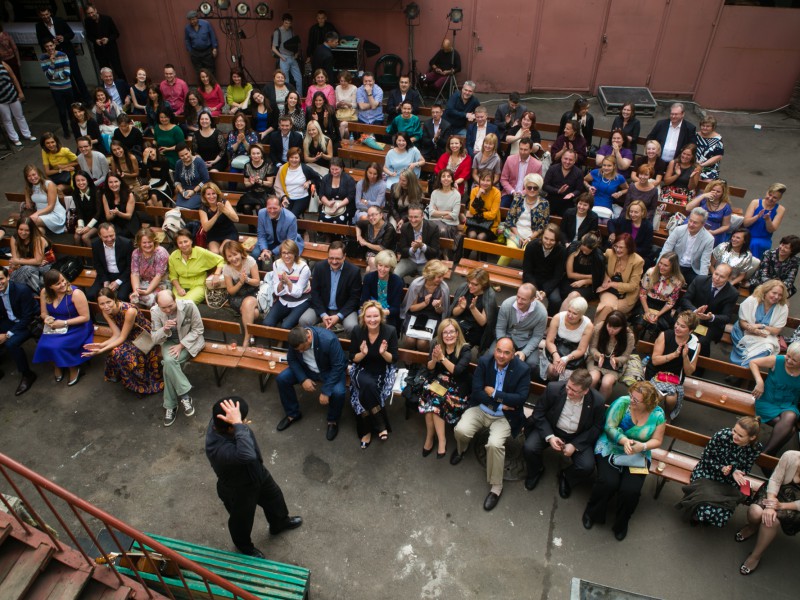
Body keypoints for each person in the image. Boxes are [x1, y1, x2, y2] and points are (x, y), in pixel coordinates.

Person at [205, 397, 303, 558]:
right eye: (240, 420)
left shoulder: (224, 423)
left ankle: (279, 523)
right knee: (241, 521)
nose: (244, 422)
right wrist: (238, 424)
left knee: (275, 498)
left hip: (257, 473)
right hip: (238, 488)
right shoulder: (217, 448)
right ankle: (244, 546)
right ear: (230, 427)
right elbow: (247, 454)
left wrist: (236, 422)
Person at [450, 338, 532, 511]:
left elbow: (520, 399)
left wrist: (494, 393)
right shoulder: (484, 361)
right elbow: (477, 391)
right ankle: (461, 449)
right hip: (482, 408)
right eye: (498, 351)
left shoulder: (523, 370)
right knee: (461, 431)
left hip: (505, 417)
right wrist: (500, 404)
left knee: (494, 445)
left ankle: (496, 487)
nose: (501, 356)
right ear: (494, 350)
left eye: (506, 352)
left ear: (513, 354)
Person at [583, 381, 666, 541]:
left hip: (638, 453)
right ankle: (592, 512)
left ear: (648, 403)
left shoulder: (658, 415)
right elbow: (609, 427)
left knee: (631, 490)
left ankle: (622, 522)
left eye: (636, 400)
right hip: (612, 446)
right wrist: (624, 441)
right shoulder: (622, 403)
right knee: (608, 482)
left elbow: (657, 440)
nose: (631, 400)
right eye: (631, 396)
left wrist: (642, 446)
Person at [524, 369, 605, 497]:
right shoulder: (553, 389)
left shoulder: (598, 401)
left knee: (587, 466)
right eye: (568, 387)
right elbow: (538, 413)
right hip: (552, 428)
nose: (569, 392)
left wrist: (575, 445)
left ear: (585, 391)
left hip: (577, 436)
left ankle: (567, 476)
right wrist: (550, 436)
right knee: (530, 448)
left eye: (574, 391)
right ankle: (536, 470)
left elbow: (596, 427)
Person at [676, 417, 763, 527]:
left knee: (723, 509)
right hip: (708, 471)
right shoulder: (722, 435)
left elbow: (747, 467)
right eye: (734, 430)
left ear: (752, 437)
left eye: (740, 435)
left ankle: (705, 517)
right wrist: (721, 468)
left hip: (730, 479)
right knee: (705, 504)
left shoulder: (755, 448)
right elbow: (706, 457)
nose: (734, 436)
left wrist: (736, 472)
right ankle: (697, 515)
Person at [82, 287, 164, 397]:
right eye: (102, 304)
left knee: (119, 353)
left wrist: (101, 350)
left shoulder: (129, 311)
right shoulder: (106, 312)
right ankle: (132, 382)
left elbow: (122, 338)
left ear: (114, 299)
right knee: (117, 352)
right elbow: (116, 334)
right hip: (127, 336)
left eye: (108, 302)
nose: (106, 306)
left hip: (143, 337)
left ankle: (141, 384)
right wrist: (101, 345)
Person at [277, 325, 348, 441]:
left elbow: (338, 366)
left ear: (309, 337)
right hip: (307, 368)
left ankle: (332, 421)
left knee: (338, 393)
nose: (300, 351)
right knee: (282, 379)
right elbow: (292, 359)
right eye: (298, 350)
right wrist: (303, 379)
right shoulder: (296, 338)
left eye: (302, 348)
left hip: (329, 371)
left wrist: (326, 391)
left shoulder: (329, 339)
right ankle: (292, 414)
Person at [736, 449, 800, 575]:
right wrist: (771, 505)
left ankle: (755, 556)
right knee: (755, 512)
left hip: (794, 505)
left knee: (771, 522)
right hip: (775, 492)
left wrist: (781, 506)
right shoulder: (790, 456)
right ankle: (752, 527)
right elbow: (775, 480)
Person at [149, 289, 204, 427]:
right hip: (169, 343)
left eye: (170, 306)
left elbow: (198, 329)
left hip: (188, 342)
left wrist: (181, 345)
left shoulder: (189, 306)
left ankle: (171, 406)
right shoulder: (155, 311)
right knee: (169, 363)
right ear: (158, 305)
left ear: (175, 300)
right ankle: (185, 397)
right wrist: (164, 329)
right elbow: (154, 338)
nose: (168, 310)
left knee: (168, 363)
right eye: (163, 308)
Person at [349, 301, 398, 448]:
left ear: (381, 316)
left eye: (376, 316)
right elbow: (353, 358)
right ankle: (380, 423)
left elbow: (393, 359)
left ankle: (366, 430)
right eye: (369, 316)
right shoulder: (357, 330)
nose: (372, 320)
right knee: (368, 384)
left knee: (364, 391)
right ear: (363, 317)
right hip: (361, 369)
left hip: (382, 370)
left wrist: (383, 353)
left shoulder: (390, 331)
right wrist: (362, 354)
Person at [419, 319, 472, 457]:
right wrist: (434, 360)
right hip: (439, 382)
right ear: (441, 335)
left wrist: (442, 358)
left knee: (435, 401)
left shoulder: (465, 349)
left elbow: (457, 372)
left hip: (457, 387)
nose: (448, 335)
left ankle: (439, 440)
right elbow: (430, 368)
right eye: (445, 333)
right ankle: (431, 437)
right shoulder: (437, 346)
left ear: (457, 333)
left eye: (451, 332)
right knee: (432, 396)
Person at [33, 268, 92, 386]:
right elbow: (43, 313)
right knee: (44, 345)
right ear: (50, 286)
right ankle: (57, 364)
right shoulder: (44, 292)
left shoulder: (76, 293)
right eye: (57, 284)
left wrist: (64, 323)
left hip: (77, 326)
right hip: (55, 326)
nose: (63, 284)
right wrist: (47, 318)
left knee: (59, 346)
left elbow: (85, 317)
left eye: (63, 280)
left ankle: (73, 367)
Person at [646, 310, 700, 420]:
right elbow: (655, 360)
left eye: (682, 326)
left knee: (671, 399)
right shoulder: (665, 335)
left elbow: (689, 371)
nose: (677, 328)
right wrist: (674, 355)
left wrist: (685, 357)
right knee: (657, 396)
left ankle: (667, 417)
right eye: (677, 323)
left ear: (691, 330)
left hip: (674, 378)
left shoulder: (695, 344)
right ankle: (647, 417)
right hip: (656, 373)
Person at [299, 241, 362, 335]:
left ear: (344, 256)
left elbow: (354, 298)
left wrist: (339, 316)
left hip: (344, 309)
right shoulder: (319, 267)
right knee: (304, 320)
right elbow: (315, 293)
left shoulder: (354, 271)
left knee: (352, 326)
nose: (334, 261)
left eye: (338, 258)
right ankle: (313, 341)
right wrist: (323, 314)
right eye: (331, 258)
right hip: (322, 307)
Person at [677, 263, 738, 358]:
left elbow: (726, 317)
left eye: (722, 277)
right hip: (691, 317)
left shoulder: (732, 293)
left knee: (701, 342)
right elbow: (685, 299)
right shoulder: (700, 280)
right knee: (679, 330)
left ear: (728, 278)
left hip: (711, 324)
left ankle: (699, 363)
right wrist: (695, 311)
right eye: (716, 274)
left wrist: (711, 317)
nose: (717, 278)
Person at [750, 342, 800, 456]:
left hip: (788, 404)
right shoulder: (777, 360)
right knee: (790, 429)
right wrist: (759, 381)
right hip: (767, 401)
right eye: (788, 356)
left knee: (791, 416)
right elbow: (753, 362)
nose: (789, 360)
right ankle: (767, 455)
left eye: (794, 360)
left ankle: (764, 454)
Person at [729, 280, 788, 367]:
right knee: (747, 350)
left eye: (780, 295)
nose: (776, 297)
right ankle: (743, 369)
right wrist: (753, 330)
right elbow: (742, 322)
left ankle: (745, 369)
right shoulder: (752, 301)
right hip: (743, 332)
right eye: (774, 293)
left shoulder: (783, 308)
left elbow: (776, 331)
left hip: (765, 336)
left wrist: (761, 326)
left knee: (767, 349)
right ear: (766, 291)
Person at [36, 7, 88, 103]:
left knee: (77, 75)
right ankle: (76, 100)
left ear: (50, 13)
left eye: (47, 14)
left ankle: (87, 99)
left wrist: (63, 38)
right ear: (40, 16)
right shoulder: (39, 26)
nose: (45, 17)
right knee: (66, 77)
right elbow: (40, 41)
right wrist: (51, 42)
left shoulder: (59, 21)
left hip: (68, 52)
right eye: (43, 15)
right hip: (56, 55)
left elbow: (71, 34)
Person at [0, 267, 38, 396]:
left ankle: (28, 374)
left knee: (11, 344)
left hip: (28, 323)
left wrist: (7, 334)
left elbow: (27, 317)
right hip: (10, 320)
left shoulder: (21, 290)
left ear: (8, 277)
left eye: (1, 279)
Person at [497, 173, 549, 266]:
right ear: (525, 187)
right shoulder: (518, 199)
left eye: (535, 188)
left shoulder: (544, 203)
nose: (532, 190)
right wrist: (518, 236)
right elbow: (510, 219)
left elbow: (542, 226)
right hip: (515, 233)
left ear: (539, 189)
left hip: (532, 237)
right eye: (529, 187)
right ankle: (496, 271)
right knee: (509, 252)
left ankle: (526, 274)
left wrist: (529, 238)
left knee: (527, 253)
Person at [493, 283, 548, 370]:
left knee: (532, 364)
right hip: (506, 337)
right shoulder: (507, 304)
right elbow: (500, 328)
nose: (519, 301)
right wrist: (505, 346)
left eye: (523, 299)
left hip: (526, 341)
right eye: (518, 297)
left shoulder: (542, 313)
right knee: (491, 356)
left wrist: (524, 353)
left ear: (532, 299)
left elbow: (537, 336)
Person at [400, 260, 450, 352]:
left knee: (422, 343)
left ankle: (423, 359)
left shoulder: (443, 289)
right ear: (431, 276)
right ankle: (408, 359)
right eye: (439, 277)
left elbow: (442, 312)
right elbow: (412, 308)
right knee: (410, 340)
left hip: (433, 316)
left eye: (442, 276)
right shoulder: (417, 285)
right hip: (415, 314)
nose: (442, 279)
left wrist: (438, 306)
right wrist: (425, 303)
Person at [540, 297, 594, 382]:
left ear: (581, 314)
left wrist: (566, 359)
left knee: (565, 374)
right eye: (569, 311)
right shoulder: (558, 317)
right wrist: (555, 355)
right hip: (555, 348)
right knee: (552, 370)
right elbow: (549, 341)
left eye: (574, 313)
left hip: (574, 353)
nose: (570, 315)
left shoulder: (588, 325)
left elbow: (581, 349)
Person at [594, 233, 644, 321]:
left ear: (629, 248)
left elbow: (632, 286)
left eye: (621, 247)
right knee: (608, 307)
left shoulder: (638, 261)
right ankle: (600, 329)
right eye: (616, 246)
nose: (617, 250)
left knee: (607, 308)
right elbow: (598, 263)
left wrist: (612, 284)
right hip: (609, 291)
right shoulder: (610, 253)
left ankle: (597, 328)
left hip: (627, 296)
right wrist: (605, 276)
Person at [263, 239, 311, 330]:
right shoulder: (276, 264)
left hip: (301, 301)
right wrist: (282, 282)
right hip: (284, 300)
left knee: (286, 326)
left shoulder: (303, 268)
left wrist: (288, 282)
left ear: (295, 254)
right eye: (284, 253)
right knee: (267, 323)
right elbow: (276, 290)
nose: (286, 256)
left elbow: (298, 293)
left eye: (289, 253)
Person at [658, 207, 714, 284]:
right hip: (674, 265)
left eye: (695, 223)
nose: (691, 224)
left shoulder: (709, 239)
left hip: (692, 269)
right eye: (690, 220)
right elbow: (666, 249)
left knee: (698, 284)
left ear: (703, 224)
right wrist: (657, 268)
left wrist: (702, 282)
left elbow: (705, 262)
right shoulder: (678, 230)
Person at [587, 311, 636, 399]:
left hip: (615, 364)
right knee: (593, 378)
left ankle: (599, 403)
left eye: (615, 328)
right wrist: (598, 355)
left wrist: (616, 360)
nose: (611, 330)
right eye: (609, 326)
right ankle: (586, 400)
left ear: (622, 327)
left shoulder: (629, 336)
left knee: (607, 383)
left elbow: (626, 356)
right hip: (596, 359)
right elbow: (592, 348)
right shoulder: (599, 328)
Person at [168, 229, 224, 305]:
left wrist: (216, 275)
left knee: (186, 304)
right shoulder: (173, 256)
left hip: (198, 285)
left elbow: (221, 260)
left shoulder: (201, 252)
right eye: (180, 243)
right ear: (177, 244)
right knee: (172, 304)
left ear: (191, 241)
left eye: (186, 241)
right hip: (180, 286)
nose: (183, 245)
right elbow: (173, 276)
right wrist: (178, 288)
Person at [636, 252, 685, 335]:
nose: (661, 267)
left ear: (673, 267)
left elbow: (671, 302)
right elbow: (642, 293)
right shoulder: (650, 272)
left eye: (665, 265)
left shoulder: (678, 281)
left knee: (656, 328)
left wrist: (657, 315)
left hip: (662, 307)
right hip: (647, 302)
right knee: (639, 325)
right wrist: (647, 311)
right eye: (660, 263)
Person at [449, 268, 497, 353]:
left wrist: (473, 309)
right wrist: (461, 308)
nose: (470, 286)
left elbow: (482, 322)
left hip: (475, 328)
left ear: (483, 284)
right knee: (447, 338)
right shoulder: (464, 288)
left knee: (456, 347)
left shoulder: (489, 296)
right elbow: (454, 313)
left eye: (475, 284)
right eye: (469, 282)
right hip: (460, 322)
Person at [523, 224, 566, 316]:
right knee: (526, 296)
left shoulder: (561, 251)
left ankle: (549, 320)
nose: (548, 242)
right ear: (542, 236)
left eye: (552, 240)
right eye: (546, 238)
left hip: (550, 281)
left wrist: (545, 291)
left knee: (556, 300)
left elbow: (557, 276)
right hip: (532, 279)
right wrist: (535, 289)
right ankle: (523, 317)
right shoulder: (531, 246)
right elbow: (527, 272)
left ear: (557, 240)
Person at [253, 195, 304, 270]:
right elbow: (261, 235)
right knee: (255, 254)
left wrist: (272, 252)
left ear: (281, 206)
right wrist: (264, 250)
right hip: (268, 241)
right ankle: (259, 274)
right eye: (269, 208)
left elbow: (290, 241)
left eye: (275, 208)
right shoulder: (261, 213)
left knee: (283, 258)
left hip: (286, 243)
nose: (272, 211)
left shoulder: (290, 218)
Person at [221, 239, 261, 331]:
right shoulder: (227, 268)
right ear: (226, 258)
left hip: (252, 291)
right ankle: (250, 333)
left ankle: (248, 336)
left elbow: (257, 282)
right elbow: (230, 291)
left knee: (249, 308)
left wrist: (246, 279)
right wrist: (240, 282)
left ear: (240, 253)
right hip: (237, 295)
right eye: (229, 256)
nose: (233, 258)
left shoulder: (250, 261)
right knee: (254, 313)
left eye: (235, 254)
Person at [395, 204, 441, 281]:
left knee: (430, 280)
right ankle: (401, 286)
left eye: (416, 217)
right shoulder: (405, 227)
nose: (413, 220)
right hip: (409, 260)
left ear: (422, 216)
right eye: (410, 217)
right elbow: (402, 250)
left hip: (427, 262)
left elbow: (435, 252)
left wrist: (422, 246)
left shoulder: (433, 228)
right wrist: (413, 249)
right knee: (395, 275)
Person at [88, 223, 133, 302]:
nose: (109, 239)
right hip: (105, 274)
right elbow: (97, 264)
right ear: (99, 236)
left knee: (122, 297)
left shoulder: (126, 243)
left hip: (123, 275)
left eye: (111, 236)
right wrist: (105, 280)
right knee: (91, 295)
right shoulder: (96, 244)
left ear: (115, 233)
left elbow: (130, 266)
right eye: (105, 237)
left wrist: (118, 282)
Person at [360, 250, 403, 330]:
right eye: (380, 265)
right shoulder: (369, 278)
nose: (382, 269)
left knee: (388, 329)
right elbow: (364, 301)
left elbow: (396, 308)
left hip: (388, 315)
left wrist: (381, 313)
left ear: (391, 268)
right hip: (370, 311)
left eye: (386, 267)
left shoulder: (397, 282)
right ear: (377, 264)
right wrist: (373, 313)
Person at [742, 183, 787, 260]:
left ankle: (754, 265)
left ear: (779, 199)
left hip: (763, 238)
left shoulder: (780, 209)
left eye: (774, 197)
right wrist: (757, 217)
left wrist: (768, 220)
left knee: (755, 244)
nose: (770, 198)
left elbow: (771, 230)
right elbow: (745, 223)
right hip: (747, 234)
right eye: (769, 195)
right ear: (766, 192)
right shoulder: (755, 202)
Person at [39, 40, 74, 139]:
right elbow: (48, 76)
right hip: (55, 89)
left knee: (71, 110)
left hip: (67, 87)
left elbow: (67, 72)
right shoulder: (43, 58)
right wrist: (52, 63)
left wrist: (54, 76)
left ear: (54, 45)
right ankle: (66, 131)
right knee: (62, 111)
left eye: (51, 45)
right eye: (47, 46)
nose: (50, 48)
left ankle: (74, 127)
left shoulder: (63, 55)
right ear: (45, 47)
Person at [560, 232, 605, 305]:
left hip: (589, 285)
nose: (584, 253)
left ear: (593, 249)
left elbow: (598, 279)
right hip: (570, 280)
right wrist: (590, 276)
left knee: (574, 296)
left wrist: (584, 281)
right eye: (583, 249)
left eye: (587, 251)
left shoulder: (598, 256)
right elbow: (570, 274)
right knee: (565, 294)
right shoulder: (574, 248)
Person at [130, 226, 169, 308]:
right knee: (134, 298)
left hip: (161, 282)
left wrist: (147, 291)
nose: (147, 245)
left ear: (154, 241)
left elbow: (158, 276)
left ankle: (156, 316)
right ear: (139, 243)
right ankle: (140, 316)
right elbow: (134, 273)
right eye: (144, 243)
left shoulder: (161, 253)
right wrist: (136, 290)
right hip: (144, 281)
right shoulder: (136, 253)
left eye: (150, 242)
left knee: (153, 300)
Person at [8, 218, 52, 293]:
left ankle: (16, 292)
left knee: (27, 270)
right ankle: (33, 293)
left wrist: (20, 261)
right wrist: (32, 261)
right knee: (26, 271)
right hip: (25, 268)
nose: (23, 233)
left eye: (27, 230)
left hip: (45, 267)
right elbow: (16, 262)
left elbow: (38, 261)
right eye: (21, 229)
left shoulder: (38, 239)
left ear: (32, 230)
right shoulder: (15, 238)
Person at [275, 147, 320, 218]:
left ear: (300, 158)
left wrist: (309, 182)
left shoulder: (305, 168)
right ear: (288, 158)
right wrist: (283, 197)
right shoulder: (282, 169)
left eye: (296, 158)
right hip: (287, 197)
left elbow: (317, 178)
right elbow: (277, 186)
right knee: (283, 215)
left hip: (302, 197)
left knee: (291, 216)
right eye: (291, 157)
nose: (294, 160)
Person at [685, 180, 732, 246]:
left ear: (723, 193)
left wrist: (713, 232)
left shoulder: (726, 207)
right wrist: (703, 196)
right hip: (696, 224)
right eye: (713, 190)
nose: (715, 193)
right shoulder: (703, 198)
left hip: (712, 231)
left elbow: (726, 226)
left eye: (718, 192)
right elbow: (688, 208)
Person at [23, 164, 66, 236]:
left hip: (55, 214)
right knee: (39, 230)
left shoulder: (49, 184)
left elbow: (51, 207)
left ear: (39, 173)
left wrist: (36, 214)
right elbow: (28, 203)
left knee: (28, 222)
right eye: (29, 176)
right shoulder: (29, 187)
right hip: (41, 216)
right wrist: (27, 201)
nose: (32, 178)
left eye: (34, 174)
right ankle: (40, 242)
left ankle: (20, 240)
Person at [500, 138, 543, 209]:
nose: (522, 152)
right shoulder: (510, 159)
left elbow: (537, 184)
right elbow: (503, 179)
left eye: (525, 150)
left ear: (531, 150)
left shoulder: (537, 165)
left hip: (528, 195)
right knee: (501, 208)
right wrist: (512, 191)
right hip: (509, 193)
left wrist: (522, 193)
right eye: (521, 149)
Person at [84, 5, 125, 80]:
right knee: (105, 72)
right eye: (88, 14)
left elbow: (116, 33)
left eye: (92, 12)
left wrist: (108, 39)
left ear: (95, 10)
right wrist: (95, 40)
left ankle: (124, 86)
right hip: (99, 50)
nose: (91, 15)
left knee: (118, 70)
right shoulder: (87, 21)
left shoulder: (107, 19)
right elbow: (89, 36)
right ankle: (109, 87)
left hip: (111, 49)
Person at [0, 60, 34, 147]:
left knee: (20, 115)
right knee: (7, 119)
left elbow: (14, 77)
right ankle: (14, 138)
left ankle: (27, 134)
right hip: (1, 99)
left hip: (12, 94)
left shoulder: (3, 64)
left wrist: (20, 92)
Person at [583, 156, 628, 222]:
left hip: (607, 206)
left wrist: (620, 193)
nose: (606, 168)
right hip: (592, 203)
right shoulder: (595, 173)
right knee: (593, 220)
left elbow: (627, 188)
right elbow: (584, 180)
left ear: (614, 166)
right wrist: (589, 187)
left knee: (605, 222)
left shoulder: (619, 178)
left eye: (609, 166)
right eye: (604, 165)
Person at [199, 182, 239, 255]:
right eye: (208, 194)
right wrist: (217, 214)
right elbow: (206, 228)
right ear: (204, 196)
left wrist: (224, 210)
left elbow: (236, 219)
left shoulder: (224, 202)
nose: (211, 196)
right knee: (214, 253)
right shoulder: (203, 208)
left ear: (217, 194)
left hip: (228, 233)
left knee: (223, 250)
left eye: (213, 193)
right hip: (213, 235)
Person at [465, 170, 501, 244]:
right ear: (479, 180)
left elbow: (492, 215)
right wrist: (478, 195)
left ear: (492, 182)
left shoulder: (496, 193)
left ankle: (479, 252)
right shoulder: (474, 191)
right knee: (472, 235)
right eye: (483, 180)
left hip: (490, 225)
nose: (485, 183)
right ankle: (466, 252)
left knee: (481, 237)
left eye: (488, 180)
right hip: (474, 222)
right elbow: (472, 210)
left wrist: (477, 215)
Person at [425, 169, 461, 242]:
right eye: (443, 176)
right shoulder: (435, 193)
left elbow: (454, 215)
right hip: (434, 222)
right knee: (427, 228)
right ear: (440, 180)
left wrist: (438, 213)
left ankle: (441, 249)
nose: (446, 178)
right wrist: (448, 212)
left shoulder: (456, 195)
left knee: (441, 231)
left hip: (450, 224)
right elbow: (431, 212)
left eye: (448, 176)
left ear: (452, 180)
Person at [318, 157, 356, 225]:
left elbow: (350, 196)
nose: (334, 172)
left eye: (336, 169)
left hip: (345, 205)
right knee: (322, 218)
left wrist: (338, 206)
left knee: (340, 220)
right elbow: (321, 194)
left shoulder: (349, 179)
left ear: (342, 168)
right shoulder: (325, 178)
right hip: (329, 205)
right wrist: (328, 203)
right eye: (332, 169)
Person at [101, 173, 140, 239]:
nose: (113, 184)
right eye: (110, 182)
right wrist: (114, 214)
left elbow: (129, 216)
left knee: (120, 235)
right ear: (107, 184)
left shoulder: (129, 195)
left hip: (129, 222)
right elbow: (108, 217)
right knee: (110, 233)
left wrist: (118, 213)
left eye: (116, 181)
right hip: (115, 222)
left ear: (120, 182)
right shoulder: (105, 195)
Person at [240, 143, 275, 215]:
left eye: (258, 153)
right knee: (246, 207)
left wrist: (260, 181)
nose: (256, 156)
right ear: (250, 155)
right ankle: (250, 222)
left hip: (264, 192)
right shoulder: (247, 165)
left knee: (258, 207)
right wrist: (251, 183)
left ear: (261, 154)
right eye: (253, 153)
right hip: (252, 192)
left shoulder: (268, 165)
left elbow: (270, 184)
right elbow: (246, 184)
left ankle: (260, 222)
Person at [272, 14, 302, 95]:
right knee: (285, 80)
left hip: (292, 56)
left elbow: (295, 43)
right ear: (283, 22)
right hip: (283, 57)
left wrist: (297, 53)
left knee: (299, 79)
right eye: (286, 23)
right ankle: (287, 97)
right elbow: (273, 48)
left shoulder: (291, 31)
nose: (287, 25)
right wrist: (281, 57)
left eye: (289, 23)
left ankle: (300, 97)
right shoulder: (277, 32)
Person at [70, 171, 102, 247]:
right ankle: (80, 255)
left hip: (98, 221)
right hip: (85, 221)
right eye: (78, 181)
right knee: (76, 236)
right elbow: (79, 211)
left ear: (87, 180)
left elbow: (99, 212)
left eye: (83, 180)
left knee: (85, 237)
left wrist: (88, 227)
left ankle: (92, 254)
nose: (81, 183)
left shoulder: (97, 191)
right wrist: (80, 226)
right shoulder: (75, 193)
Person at [184, 10, 218, 78]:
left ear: (197, 17)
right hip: (195, 53)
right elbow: (187, 40)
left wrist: (214, 48)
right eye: (190, 20)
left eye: (193, 19)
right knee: (199, 71)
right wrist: (190, 51)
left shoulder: (206, 24)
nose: (192, 21)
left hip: (207, 51)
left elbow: (212, 36)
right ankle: (202, 84)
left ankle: (212, 83)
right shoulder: (187, 28)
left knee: (211, 70)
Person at [695, 115, 724, 181]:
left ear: (713, 127)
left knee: (706, 185)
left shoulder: (717, 139)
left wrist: (702, 165)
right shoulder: (695, 135)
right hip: (693, 166)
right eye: (703, 125)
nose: (705, 128)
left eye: (708, 126)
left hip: (709, 169)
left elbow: (718, 156)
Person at [334, 71, 357, 139]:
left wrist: (347, 104)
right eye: (341, 81)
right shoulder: (337, 88)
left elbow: (355, 105)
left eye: (345, 81)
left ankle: (338, 142)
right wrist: (339, 104)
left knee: (343, 124)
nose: (343, 83)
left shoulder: (354, 88)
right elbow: (335, 104)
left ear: (349, 81)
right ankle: (344, 144)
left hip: (351, 115)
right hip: (340, 115)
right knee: (346, 131)